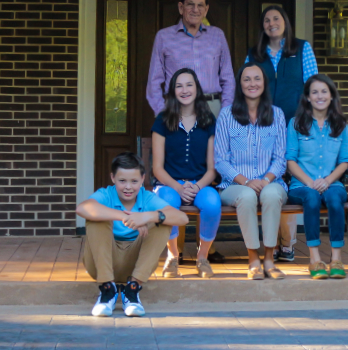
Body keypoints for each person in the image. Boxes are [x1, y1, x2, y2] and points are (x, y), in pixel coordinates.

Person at [246, 5, 319, 263]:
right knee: (272, 179)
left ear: (285, 22)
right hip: (264, 125)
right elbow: (248, 84)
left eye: (276, 18)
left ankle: (287, 244)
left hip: (295, 124)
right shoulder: (255, 53)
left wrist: (308, 122)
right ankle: (268, 243)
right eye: (266, 20)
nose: (271, 23)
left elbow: (312, 85)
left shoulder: (302, 49)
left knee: (289, 182)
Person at [76, 152, 189, 317]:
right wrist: (124, 216)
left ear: (143, 179)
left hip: (136, 265)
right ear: (113, 178)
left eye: (134, 181)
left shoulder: (147, 198)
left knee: (162, 221)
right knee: (95, 219)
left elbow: (182, 218)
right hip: (102, 263)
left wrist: (147, 216)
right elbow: (82, 208)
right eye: (122, 181)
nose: (128, 187)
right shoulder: (106, 194)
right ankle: (107, 289)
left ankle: (132, 290)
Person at [214, 62, 288, 280]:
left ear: (264, 83)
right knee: (246, 195)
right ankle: (253, 258)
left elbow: (280, 159)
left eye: (257, 78)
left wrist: (265, 180)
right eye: (247, 79)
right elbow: (220, 160)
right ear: (240, 84)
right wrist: (246, 181)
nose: (252, 83)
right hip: (234, 186)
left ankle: (269, 259)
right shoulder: (227, 115)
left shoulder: (277, 114)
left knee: (272, 193)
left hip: (271, 182)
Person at [151, 68, 222, 279]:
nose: (184, 90)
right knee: (168, 203)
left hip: (200, 184)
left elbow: (212, 169)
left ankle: (202, 257)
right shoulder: (162, 120)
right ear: (173, 91)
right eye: (179, 85)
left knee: (212, 203)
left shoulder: (208, 120)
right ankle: (173, 256)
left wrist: (197, 186)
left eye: (189, 84)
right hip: (168, 184)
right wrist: (179, 187)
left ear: (197, 88)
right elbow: (157, 168)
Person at [286, 74, 348, 279]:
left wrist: (328, 180)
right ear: (307, 97)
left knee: (333, 198)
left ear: (331, 96)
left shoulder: (340, 125)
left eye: (324, 91)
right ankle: (314, 259)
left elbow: (344, 161)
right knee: (312, 197)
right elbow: (290, 161)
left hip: (332, 184)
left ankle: (336, 259)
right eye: (314, 92)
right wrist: (310, 183)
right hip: (301, 185)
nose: (319, 96)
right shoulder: (296, 123)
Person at [146, 0, 235, 118]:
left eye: (200, 5)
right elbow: (154, 81)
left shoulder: (218, 36)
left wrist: (225, 112)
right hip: (176, 108)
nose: (195, 10)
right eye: (190, 5)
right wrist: (162, 113)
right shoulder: (163, 37)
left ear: (206, 10)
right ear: (181, 8)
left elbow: (228, 79)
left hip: (212, 108)